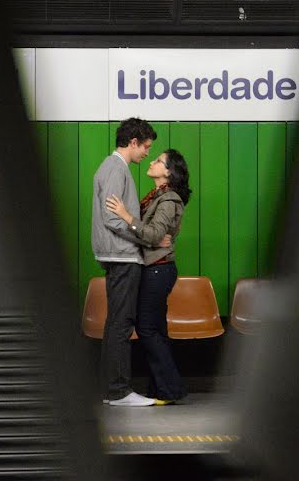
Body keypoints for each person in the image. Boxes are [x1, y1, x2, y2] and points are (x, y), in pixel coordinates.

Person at [106, 148, 191, 405]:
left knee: (147, 328)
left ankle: (171, 388)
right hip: (154, 267)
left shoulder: (169, 199)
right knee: (157, 329)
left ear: (168, 172)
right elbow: (153, 235)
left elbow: (154, 235)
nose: (152, 161)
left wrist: (126, 216)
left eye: (158, 161)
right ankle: (161, 389)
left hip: (158, 270)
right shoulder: (157, 196)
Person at [92, 117, 157, 407]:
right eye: (145, 146)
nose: (147, 153)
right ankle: (118, 391)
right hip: (122, 255)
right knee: (121, 323)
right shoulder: (115, 168)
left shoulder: (114, 168)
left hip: (118, 254)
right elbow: (112, 217)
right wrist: (143, 237)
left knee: (117, 322)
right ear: (133, 142)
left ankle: (112, 389)